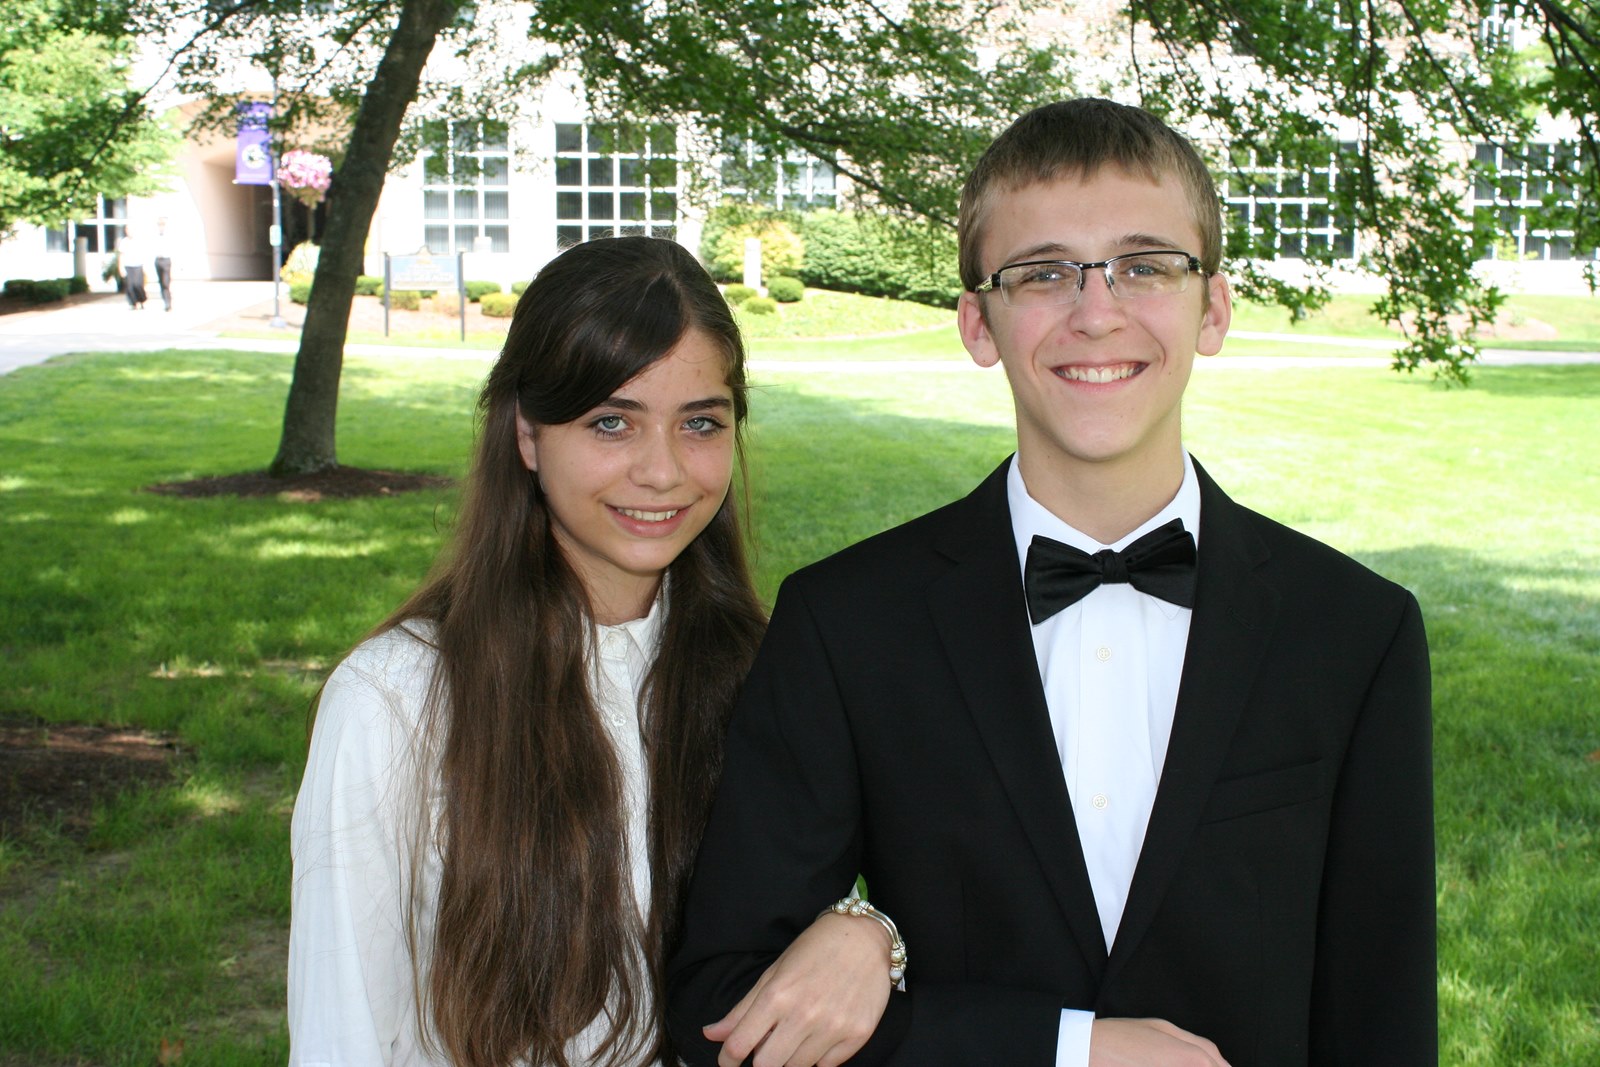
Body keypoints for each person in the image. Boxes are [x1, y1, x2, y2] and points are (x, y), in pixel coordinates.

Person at [668, 99, 1435, 1067]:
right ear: (978, 323)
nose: (1096, 312)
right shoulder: (848, 622)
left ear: (1213, 308)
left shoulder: (1355, 631)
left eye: (1145, 265)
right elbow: (721, 1008)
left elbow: (1382, 1012)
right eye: (1042, 273)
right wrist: (1064, 1047)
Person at [288, 237, 895, 1067]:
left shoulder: (773, 670)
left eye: (700, 423)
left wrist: (871, 933)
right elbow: (342, 1035)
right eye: (612, 422)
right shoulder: (395, 699)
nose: (663, 471)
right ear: (527, 434)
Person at [118, 223, 148, 309]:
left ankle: (142, 300)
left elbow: (144, 254)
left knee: (138, 285)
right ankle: (132, 303)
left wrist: (145, 266)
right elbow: (121, 255)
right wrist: (121, 267)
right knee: (130, 286)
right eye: (127, 229)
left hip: (138, 265)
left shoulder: (139, 241)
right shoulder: (124, 242)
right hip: (128, 266)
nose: (129, 231)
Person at [153, 217, 174, 311]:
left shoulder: (169, 236)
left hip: (166, 260)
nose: (161, 226)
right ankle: (165, 301)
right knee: (161, 283)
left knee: (166, 282)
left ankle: (168, 302)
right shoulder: (154, 236)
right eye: (159, 224)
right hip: (158, 260)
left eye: (162, 224)